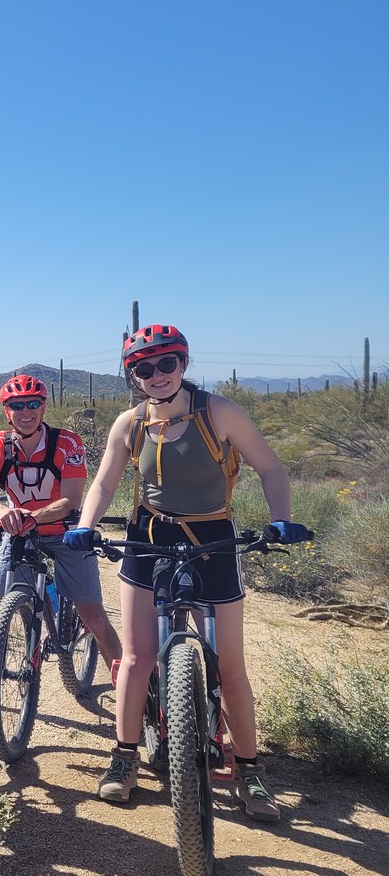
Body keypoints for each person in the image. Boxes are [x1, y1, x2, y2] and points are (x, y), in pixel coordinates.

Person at [64, 324, 309, 820]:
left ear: (183, 364)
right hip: (149, 539)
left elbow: (271, 467)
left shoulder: (219, 412)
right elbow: (106, 481)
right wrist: (85, 526)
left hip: (213, 539)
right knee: (135, 659)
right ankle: (125, 757)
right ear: (132, 374)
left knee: (230, 665)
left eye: (166, 364)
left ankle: (250, 771)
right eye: (143, 368)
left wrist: (280, 518)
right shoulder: (129, 423)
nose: (156, 376)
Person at [0, 374, 122, 715]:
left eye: (32, 404)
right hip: (19, 531)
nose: (25, 411)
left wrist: (32, 516)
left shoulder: (67, 444)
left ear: (43, 407)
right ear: (6, 411)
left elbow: (72, 500)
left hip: (65, 532)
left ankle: (134, 690)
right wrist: (3, 510)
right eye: (17, 405)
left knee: (93, 615)